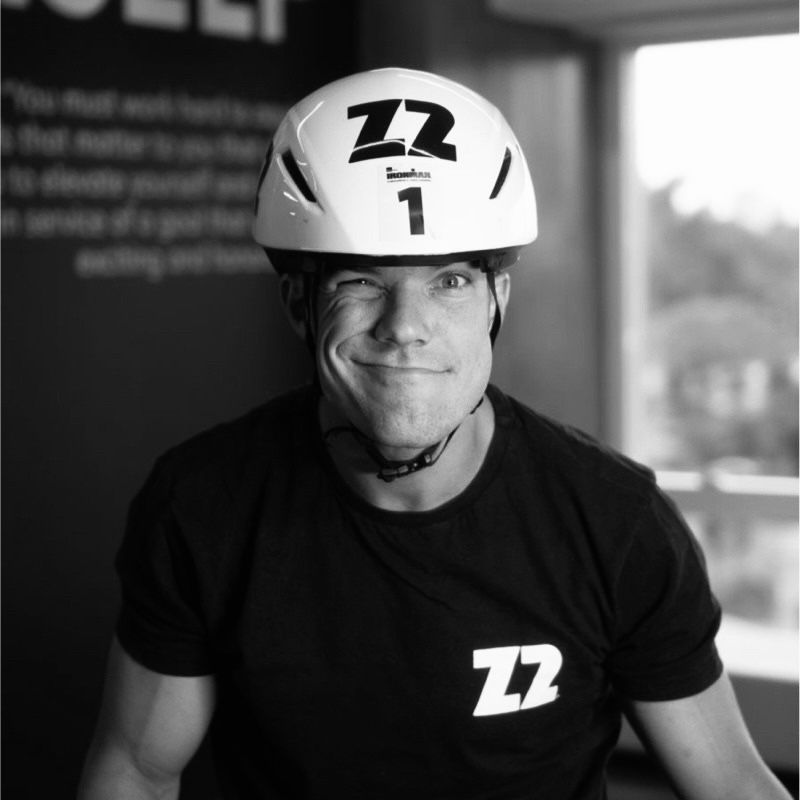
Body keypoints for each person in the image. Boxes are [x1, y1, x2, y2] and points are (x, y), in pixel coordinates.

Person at [78, 68, 791, 800]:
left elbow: (732, 784)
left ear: (496, 300)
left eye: (449, 281)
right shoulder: (202, 506)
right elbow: (137, 769)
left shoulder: (615, 522)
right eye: (361, 282)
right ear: (298, 303)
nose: (405, 328)